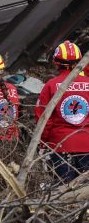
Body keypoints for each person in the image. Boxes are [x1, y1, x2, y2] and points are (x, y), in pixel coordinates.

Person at [36, 41, 89, 184]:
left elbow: (44, 119)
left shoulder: (51, 85)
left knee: (63, 190)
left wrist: (42, 143)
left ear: (56, 62)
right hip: (87, 144)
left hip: (60, 146)